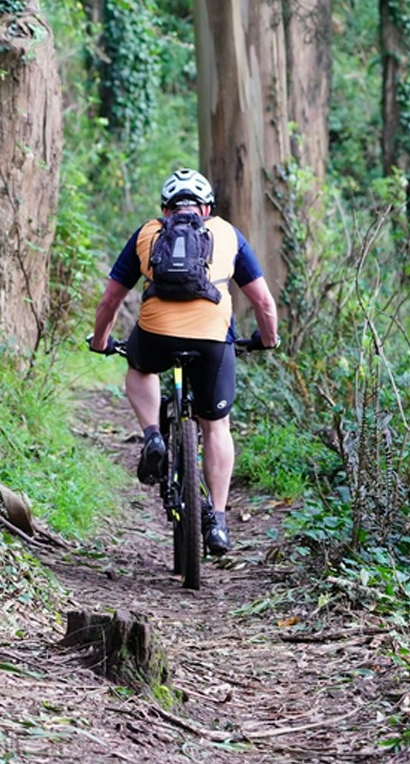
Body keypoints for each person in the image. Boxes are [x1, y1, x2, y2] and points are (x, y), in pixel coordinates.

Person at [89, 168, 279, 556]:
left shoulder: (148, 233)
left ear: (165, 209)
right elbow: (263, 302)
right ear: (207, 208)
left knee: (140, 367)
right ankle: (219, 521)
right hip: (212, 339)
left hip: (157, 334)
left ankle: (153, 436)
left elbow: (110, 300)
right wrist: (268, 339)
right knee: (216, 425)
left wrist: (101, 341)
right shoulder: (228, 234)